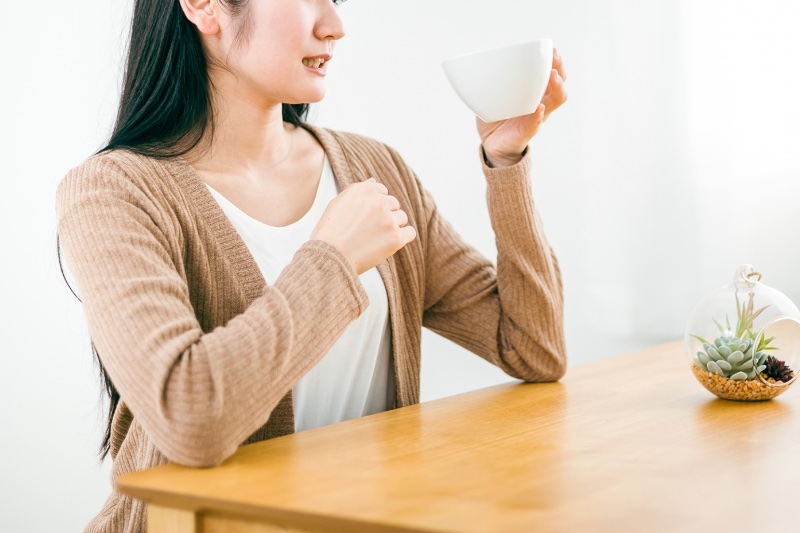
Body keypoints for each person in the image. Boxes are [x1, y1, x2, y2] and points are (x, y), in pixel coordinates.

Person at [56, 0, 568, 531]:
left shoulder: (375, 168)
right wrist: (334, 261)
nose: (335, 26)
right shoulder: (114, 192)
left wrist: (505, 161)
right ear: (205, 7)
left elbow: (534, 348)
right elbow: (189, 419)